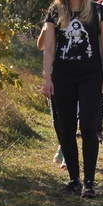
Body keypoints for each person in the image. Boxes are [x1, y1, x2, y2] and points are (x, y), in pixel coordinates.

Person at [41, 0, 103, 198]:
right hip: (62, 76)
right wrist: (47, 78)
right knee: (66, 127)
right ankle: (74, 179)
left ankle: (89, 183)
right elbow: (49, 48)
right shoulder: (55, 12)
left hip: (91, 76)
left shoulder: (98, 11)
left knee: (89, 127)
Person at [37, 23, 65, 169]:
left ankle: (66, 152)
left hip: (69, 71)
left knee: (70, 115)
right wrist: (45, 29)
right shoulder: (50, 25)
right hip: (53, 74)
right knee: (56, 116)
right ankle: (63, 145)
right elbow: (40, 46)